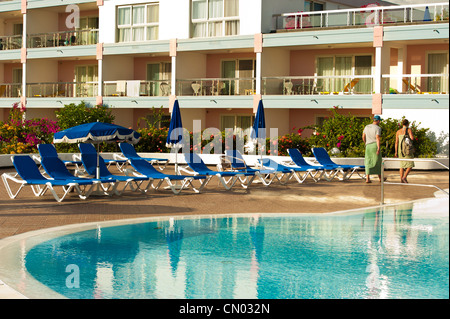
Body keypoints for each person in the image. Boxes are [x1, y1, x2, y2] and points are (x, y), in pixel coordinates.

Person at [362, 115, 383, 183]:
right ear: (378, 121)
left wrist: (366, 143)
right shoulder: (378, 128)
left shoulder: (367, 126)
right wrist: (378, 148)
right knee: (377, 161)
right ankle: (380, 178)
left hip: (368, 146)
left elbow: (363, 136)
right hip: (374, 145)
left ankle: (367, 178)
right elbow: (377, 138)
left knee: (368, 161)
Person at [395, 119, 414, 183]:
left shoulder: (398, 131)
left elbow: (396, 142)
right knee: (410, 165)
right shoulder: (408, 130)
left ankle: (401, 179)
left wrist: (396, 152)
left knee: (402, 165)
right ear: (408, 124)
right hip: (407, 149)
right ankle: (404, 177)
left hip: (400, 150)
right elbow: (412, 138)